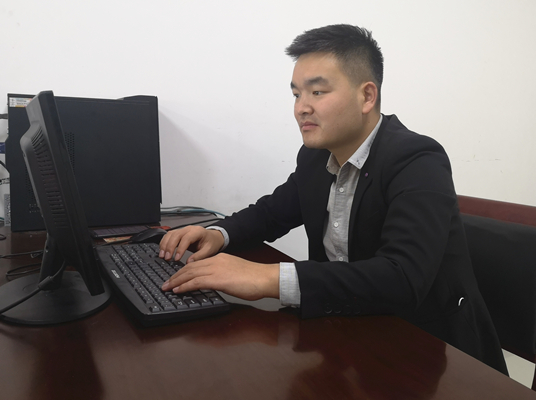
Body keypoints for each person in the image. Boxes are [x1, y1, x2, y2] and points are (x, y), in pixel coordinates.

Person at [160, 24, 508, 374]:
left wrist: (267, 279)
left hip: (431, 355)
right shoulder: (316, 157)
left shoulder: (417, 160)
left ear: (367, 96)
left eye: (317, 92)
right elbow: (272, 213)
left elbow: (402, 277)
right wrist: (218, 233)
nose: (301, 108)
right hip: (347, 336)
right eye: (296, 94)